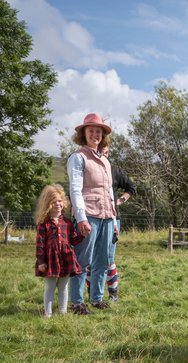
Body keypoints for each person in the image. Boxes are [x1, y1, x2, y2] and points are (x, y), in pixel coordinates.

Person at [67, 113, 117, 314]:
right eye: (91, 131)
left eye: (99, 131)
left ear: (103, 135)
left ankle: (97, 298)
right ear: (84, 134)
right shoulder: (78, 157)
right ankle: (77, 302)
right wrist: (81, 217)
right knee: (83, 259)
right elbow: (75, 189)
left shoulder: (105, 161)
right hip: (88, 215)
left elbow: (109, 191)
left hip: (106, 216)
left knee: (103, 260)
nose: (95, 134)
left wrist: (113, 219)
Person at [85, 145, 136, 301]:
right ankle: (92, 294)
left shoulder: (114, 170)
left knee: (107, 259)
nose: (104, 154)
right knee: (90, 260)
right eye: (101, 151)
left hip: (112, 219)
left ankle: (113, 294)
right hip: (91, 217)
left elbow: (131, 187)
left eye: (106, 152)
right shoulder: (87, 166)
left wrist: (119, 201)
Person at [34, 184, 84, 317]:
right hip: (50, 260)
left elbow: (73, 240)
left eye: (60, 201)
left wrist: (83, 235)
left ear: (64, 202)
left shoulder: (67, 222)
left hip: (66, 258)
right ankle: (48, 314)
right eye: (54, 201)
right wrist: (41, 261)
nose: (58, 204)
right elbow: (40, 245)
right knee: (50, 287)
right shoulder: (43, 224)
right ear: (47, 204)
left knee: (63, 286)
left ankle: (63, 313)